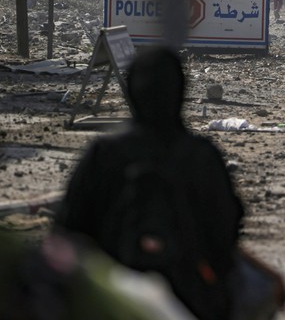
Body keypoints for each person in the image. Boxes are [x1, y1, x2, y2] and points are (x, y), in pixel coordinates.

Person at [55, 48, 245, 320]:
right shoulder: (201, 156)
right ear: (179, 92)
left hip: (111, 299)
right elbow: (225, 229)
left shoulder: (105, 154)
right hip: (191, 297)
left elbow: (69, 230)